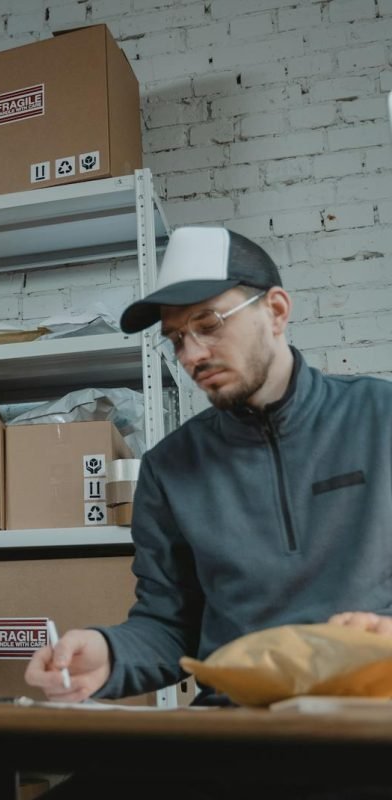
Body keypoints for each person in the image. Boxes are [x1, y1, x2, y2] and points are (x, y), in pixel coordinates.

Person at [24, 226, 392, 798]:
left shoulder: (381, 419)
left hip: (369, 726)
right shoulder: (171, 467)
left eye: (209, 325)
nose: (192, 354)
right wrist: (109, 653)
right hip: (232, 731)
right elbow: (171, 626)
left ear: (275, 310)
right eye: (176, 339)